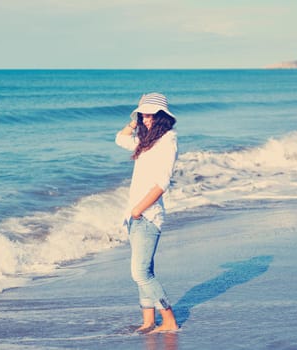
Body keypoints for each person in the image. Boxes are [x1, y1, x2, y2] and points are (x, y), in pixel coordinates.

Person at [115, 92, 179, 334]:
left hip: (147, 216)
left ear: (162, 116)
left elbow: (162, 183)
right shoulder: (146, 140)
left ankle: (170, 320)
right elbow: (120, 138)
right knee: (145, 270)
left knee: (140, 273)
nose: (147, 119)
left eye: (151, 115)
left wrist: (138, 210)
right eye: (144, 114)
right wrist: (135, 117)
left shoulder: (168, 140)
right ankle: (148, 321)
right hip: (135, 216)